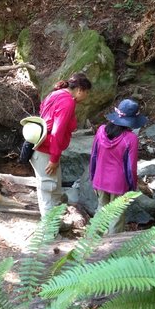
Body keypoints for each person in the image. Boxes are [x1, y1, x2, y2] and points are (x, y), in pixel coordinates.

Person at [29, 72, 92, 216]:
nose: (87, 96)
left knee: (53, 190)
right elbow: (57, 131)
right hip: (47, 150)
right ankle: (50, 235)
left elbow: (42, 112)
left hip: (41, 146)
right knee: (49, 192)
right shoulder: (68, 102)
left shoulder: (55, 94)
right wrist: (54, 158)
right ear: (80, 90)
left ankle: (55, 227)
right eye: (87, 92)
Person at [89, 98, 147, 234]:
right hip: (119, 184)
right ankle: (113, 248)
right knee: (116, 216)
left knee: (101, 210)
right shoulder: (131, 138)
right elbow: (131, 167)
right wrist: (132, 186)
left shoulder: (101, 130)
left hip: (100, 179)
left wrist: (92, 177)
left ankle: (91, 243)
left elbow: (94, 156)